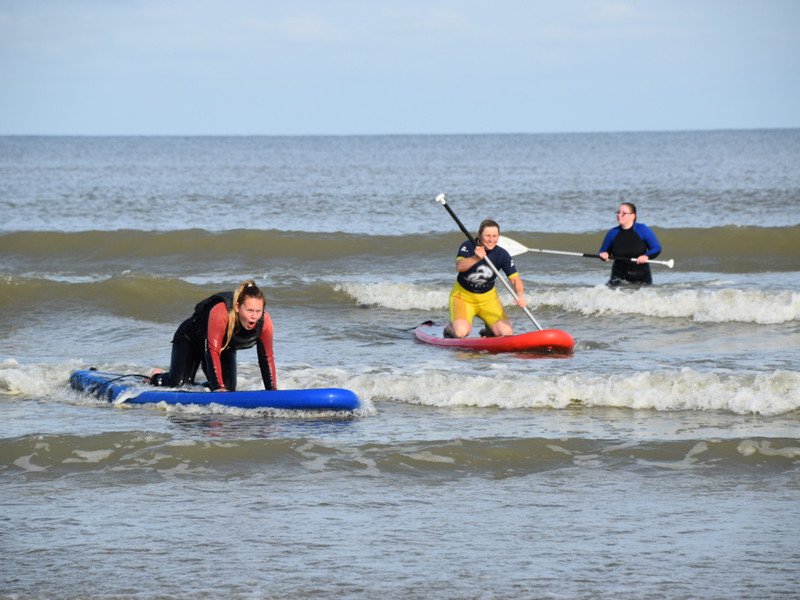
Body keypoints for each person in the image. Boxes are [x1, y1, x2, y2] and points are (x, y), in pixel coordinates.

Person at [150, 279, 277, 391]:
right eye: (249, 310)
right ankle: (156, 377)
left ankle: (201, 389)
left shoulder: (265, 322)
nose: (254, 316)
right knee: (179, 387)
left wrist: (272, 391)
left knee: (229, 390)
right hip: (190, 340)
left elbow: (266, 358)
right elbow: (211, 351)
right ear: (237, 307)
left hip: (223, 347)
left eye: (258, 311)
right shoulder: (221, 313)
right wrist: (218, 388)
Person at [443, 219, 526, 338]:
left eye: (495, 236)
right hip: (463, 297)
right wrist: (476, 258)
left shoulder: (502, 254)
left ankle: (489, 329)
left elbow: (515, 279)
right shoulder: (467, 246)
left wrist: (520, 295)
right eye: (487, 236)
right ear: (479, 235)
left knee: (506, 332)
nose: (491, 240)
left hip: (488, 299)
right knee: (460, 332)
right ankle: (449, 327)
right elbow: (459, 267)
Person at [598, 202, 662, 286]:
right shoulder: (612, 232)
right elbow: (603, 251)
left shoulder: (642, 229)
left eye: (623, 213)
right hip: (618, 275)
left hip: (640, 275)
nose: (619, 215)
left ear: (633, 216)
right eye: (618, 212)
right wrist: (604, 254)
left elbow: (656, 248)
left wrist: (646, 256)